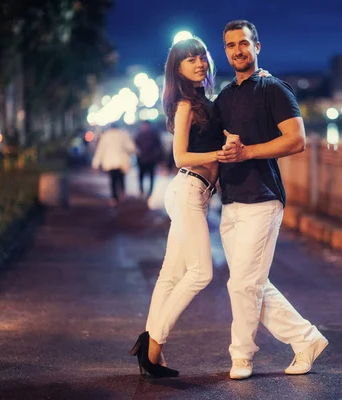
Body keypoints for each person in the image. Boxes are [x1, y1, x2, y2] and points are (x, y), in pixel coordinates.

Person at [214, 20, 328, 380]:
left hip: (263, 198)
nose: (237, 50)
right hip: (231, 201)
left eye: (244, 43)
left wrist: (247, 153)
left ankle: (242, 356)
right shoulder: (225, 97)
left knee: (243, 284)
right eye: (231, 45)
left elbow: (296, 140)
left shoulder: (274, 89)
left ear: (257, 47)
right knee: (251, 284)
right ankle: (306, 338)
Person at [130, 36, 241, 378]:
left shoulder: (204, 101)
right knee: (201, 272)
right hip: (188, 187)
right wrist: (218, 155)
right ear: (177, 69)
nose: (199, 63)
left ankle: (150, 348)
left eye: (201, 57)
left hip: (196, 192)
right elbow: (180, 156)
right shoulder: (185, 105)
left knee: (170, 275)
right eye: (190, 60)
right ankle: (152, 344)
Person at [91, 122, 136, 207]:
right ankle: (122, 194)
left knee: (112, 180)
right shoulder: (123, 135)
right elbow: (131, 147)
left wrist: (95, 164)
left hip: (109, 162)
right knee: (121, 178)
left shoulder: (105, 136)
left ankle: (114, 198)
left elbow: (100, 151)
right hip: (121, 162)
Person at [134, 121, 164, 199]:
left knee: (151, 176)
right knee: (141, 176)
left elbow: (159, 147)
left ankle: (150, 192)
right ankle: (141, 190)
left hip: (151, 160)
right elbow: (135, 146)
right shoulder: (139, 135)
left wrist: (159, 159)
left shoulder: (154, 135)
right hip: (142, 160)